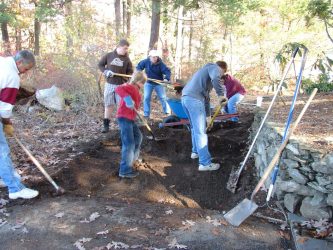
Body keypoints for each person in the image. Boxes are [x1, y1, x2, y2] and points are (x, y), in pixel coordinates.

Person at [0, 50, 39, 199]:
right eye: (26, 69)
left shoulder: (2, 62)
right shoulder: (11, 76)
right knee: (2, 151)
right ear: (19, 63)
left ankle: (4, 177)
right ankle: (15, 189)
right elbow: (4, 108)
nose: (25, 72)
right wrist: (7, 124)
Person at [181, 61, 227, 171]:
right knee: (201, 132)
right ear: (222, 69)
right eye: (222, 73)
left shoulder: (202, 74)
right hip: (194, 100)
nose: (221, 76)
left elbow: (206, 98)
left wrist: (208, 117)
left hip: (185, 99)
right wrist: (221, 95)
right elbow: (216, 78)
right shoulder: (214, 68)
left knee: (194, 129)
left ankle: (195, 152)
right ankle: (205, 163)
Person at [115, 71, 147, 178]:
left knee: (138, 137)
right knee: (129, 144)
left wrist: (138, 115)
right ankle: (124, 171)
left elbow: (135, 106)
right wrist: (127, 99)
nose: (143, 85)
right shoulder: (130, 86)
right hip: (124, 118)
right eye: (143, 83)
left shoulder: (136, 89)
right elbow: (118, 89)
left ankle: (133, 159)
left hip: (130, 118)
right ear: (138, 81)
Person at [98, 39, 133, 133]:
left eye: (127, 49)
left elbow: (130, 72)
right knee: (108, 105)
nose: (126, 50)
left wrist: (125, 80)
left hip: (121, 86)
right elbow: (100, 65)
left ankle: (122, 125)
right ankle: (106, 126)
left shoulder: (127, 59)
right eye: (125, 48)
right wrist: (106, 71)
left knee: (121, 106)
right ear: (119, 47)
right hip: (109, 84)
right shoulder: (109, 55)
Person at [136, 50, 171, 119]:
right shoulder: (146, 62)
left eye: (156, 57)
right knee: (146, 97)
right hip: (148, 82)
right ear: (150, 57)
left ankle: (167, 113)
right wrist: (140, 74)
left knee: (163, 98)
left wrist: (166, 78)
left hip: (158, 83)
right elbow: (138, 67)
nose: (155, 58)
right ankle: (146, 114)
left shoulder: (161, 64)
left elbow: (167, 71)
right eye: (153, 57)